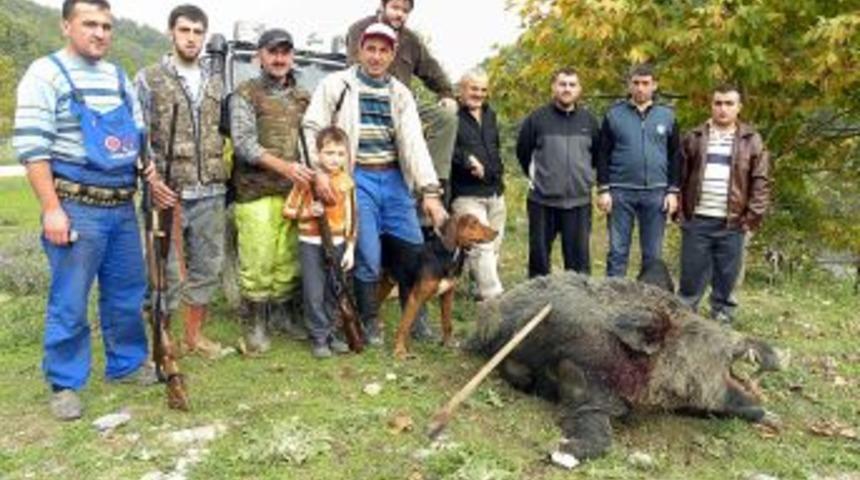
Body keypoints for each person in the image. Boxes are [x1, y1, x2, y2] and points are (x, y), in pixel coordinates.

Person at [12, 0, 155, 420]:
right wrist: (51, 209)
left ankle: (127, 364)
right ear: (65, 26)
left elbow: (136, 137)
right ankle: (65, 382)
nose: (100, 33)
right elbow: (34, 148)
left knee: (128, 293)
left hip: (121, 206)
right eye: (89, 24)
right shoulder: (45, 73)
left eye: (107, 26)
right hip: (75, 206)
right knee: (70, 299)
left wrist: (150, 174)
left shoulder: (117, 76)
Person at [303, 22, 447, 346]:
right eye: (371, 49)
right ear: (359, 50)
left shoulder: (400, 93)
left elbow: (414, 145)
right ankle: (369, 321)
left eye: (384, 50)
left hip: (395, 178)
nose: (377, 56)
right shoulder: (336, 85)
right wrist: (319, 172)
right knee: (367, 253)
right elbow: (311, 128)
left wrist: (430, 192)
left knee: (413, 249)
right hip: (356, 178)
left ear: (393, 54)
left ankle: (417, 320)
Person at [135, 4, 226, 358]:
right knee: (166, 271)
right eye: (185, 30)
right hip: (167, 191)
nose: (191, 38)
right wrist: (151, 177)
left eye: (197, 32)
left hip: (212, 191)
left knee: (208, 267)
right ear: (171, 32)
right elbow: (136, 133)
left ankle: (194, 336)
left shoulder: (215, 81)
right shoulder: (148, 77)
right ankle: (164, 337)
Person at [229, 28, 315, 352]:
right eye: (273, 52)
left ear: (292, 57)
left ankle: (282, 316)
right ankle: (256, 323)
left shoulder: (304, 97)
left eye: (285, 52)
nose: (279, 59)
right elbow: (243, 144)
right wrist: (286, 167)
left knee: (288, 260)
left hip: (294, 193)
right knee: (258, 259)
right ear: (260, 56)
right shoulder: (245, 94)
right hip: (255, 192)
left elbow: (313, 140)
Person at [676, 84, 770, 324]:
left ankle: (723, 317)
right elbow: (679, 176)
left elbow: (760, 181)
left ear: (739, 107)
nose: (723, 109)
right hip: (697, 219)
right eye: (718, 103)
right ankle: (686, 319)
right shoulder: (694, 137)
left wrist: (752, 217)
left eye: (729, 103)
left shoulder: (752, 140)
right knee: (690, 278)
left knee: (726, 278)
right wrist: (680, 212)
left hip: (733, 222)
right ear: (711, 105)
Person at [346, 0, 458, 201]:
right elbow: (356, 69)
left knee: (446, 118)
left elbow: (431, 70)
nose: (399, 14)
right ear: (383, 5)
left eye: (405, 11)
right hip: (368, 101)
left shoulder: (411, 40)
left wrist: (446, 93)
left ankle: (433, 185)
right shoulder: (359, 29)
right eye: (395, 8)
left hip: (404, 105)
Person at [596, 64, 680, 277]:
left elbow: (675, 156)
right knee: (617, 251)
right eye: (636, 83)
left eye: (645, 83)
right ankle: (613, 299)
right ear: (629, 85)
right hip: (620, 192)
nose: (640, 88)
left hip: (656, 193)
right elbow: (602, 154)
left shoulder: (667, 116)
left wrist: (673, 191)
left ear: (654, 85)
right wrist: (603, 189)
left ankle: (647, 301)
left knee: (653, 255)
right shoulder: (614, 115)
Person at [516, 68, 600, 278]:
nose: (567, 89)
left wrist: (586, 180)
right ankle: (537, 305)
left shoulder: (589, 121)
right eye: (562, 84)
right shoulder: (536, 119)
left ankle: (579, 308)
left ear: (579, 89)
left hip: (578, 202)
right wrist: (540, 180)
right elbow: (523, 153)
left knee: (579, 266)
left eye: (572, 85)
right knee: (539, 262)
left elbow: (598, 156)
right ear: (553, 87)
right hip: (542, 202)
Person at [283, 126, 357, 358]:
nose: (334, 159)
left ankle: (333, 333)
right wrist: (308, 210)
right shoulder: (306, 181)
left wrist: (351, 248)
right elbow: (289, 210)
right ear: (318, 154)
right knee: (314, 292)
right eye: (329, 153)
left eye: (339, 153)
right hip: (310, 243)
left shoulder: (347, 182)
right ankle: (319, 337)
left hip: (337, 243)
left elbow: (352, 217)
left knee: (333, 291)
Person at [449, 68, 506, 299]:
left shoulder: (490, 114)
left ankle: (477, 287)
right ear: (461, 89)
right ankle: (495, 299)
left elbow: (496, 147)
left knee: (493, 244)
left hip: (494, 191)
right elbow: (443, 149)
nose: (479, 94)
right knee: (481, 246)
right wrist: (466, 159)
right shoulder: (450, 115)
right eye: (474, 88)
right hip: (467, 194)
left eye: (483, 89)